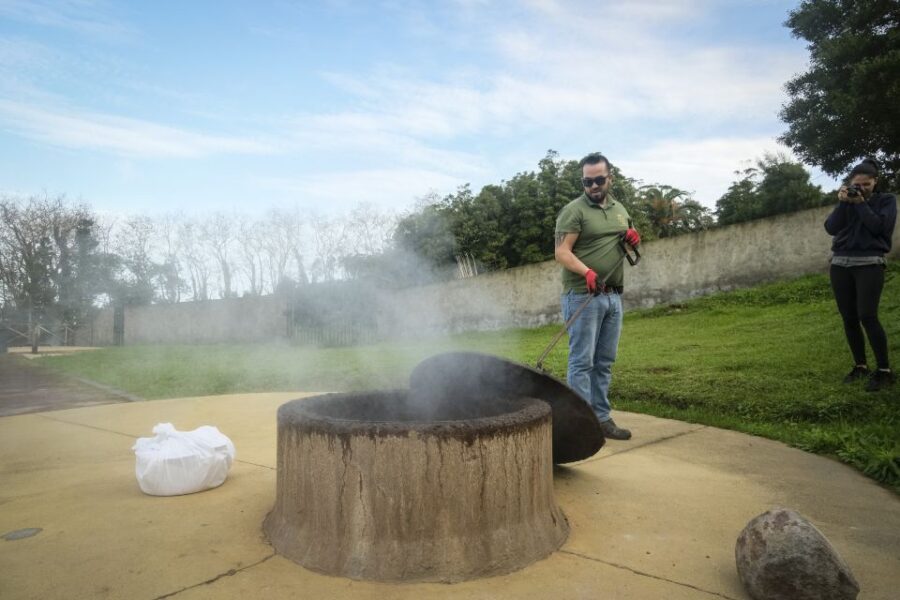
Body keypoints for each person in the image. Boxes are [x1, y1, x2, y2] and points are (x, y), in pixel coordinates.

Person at [554, 152, 641, 440]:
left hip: (613, 296)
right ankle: (581, 425)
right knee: (582, 362)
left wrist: (632, 237)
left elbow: (626, 235)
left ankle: (601, 419)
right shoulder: (573, 211)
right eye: (587, 181)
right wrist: (587, 272)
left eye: (598, 180)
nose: (593, 186)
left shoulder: (619, 208)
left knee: (604, 361)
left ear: (609, 178)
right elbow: (562, 252)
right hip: (583, 296)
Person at [824, 158, 897, 392]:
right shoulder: (848, 202)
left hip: (869, 263)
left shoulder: (886, 201)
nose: (862, 188)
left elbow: (878, 228)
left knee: (867, 315)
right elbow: (831, 228)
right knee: (849, 318)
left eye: (867, 184)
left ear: (875, 182)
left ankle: (884, 370)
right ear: (850, 182)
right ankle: (860, 366)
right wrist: (844, 203)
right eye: (858, 184)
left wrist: (859, 203)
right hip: (840, 263)